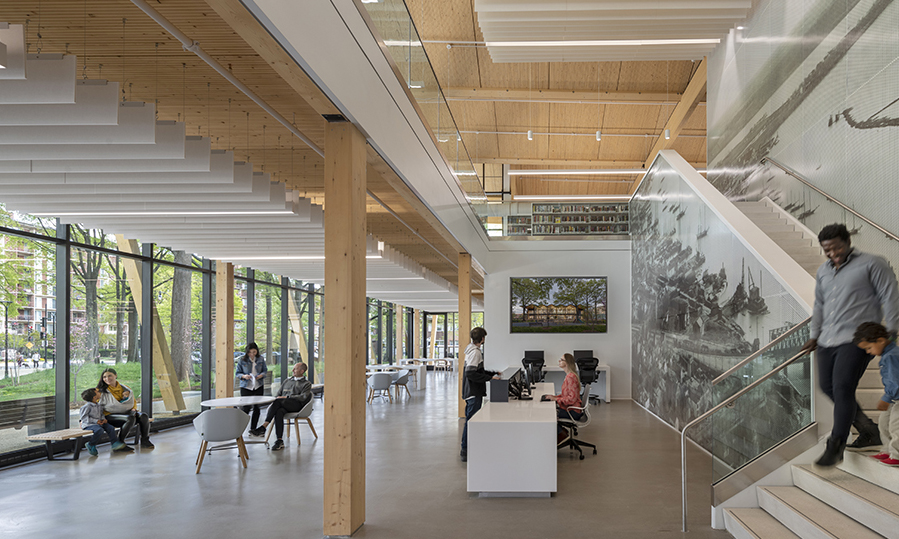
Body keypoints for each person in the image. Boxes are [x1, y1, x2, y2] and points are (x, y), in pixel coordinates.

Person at [800, 223, 899, 467]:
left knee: (843, 386)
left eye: (837, 248)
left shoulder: (872, 263)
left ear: (848, 242)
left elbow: (890, 294)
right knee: (827, 386)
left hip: (857, 339)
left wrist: (894, 329)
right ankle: (868, 430)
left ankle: (836, 445)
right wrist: (814, 334)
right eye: (827, 250)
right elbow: (819, 305)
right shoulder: (823, 271)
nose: (833, 254)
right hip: (827, 339)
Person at [854, 322, 899, 467]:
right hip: (893, 397)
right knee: (884, 424)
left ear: (880, 340)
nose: (868, 352)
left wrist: (886, 398)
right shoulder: (887, 355)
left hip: (895, 397)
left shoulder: (892, 356)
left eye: (869, 347)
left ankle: (897, 455)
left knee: (895, 427)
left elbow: (896, 382)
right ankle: (887, 450)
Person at [249, 362, 313, 451]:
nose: (293, 370)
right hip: (283, 405)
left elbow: (303, 397)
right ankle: (279, 440)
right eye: (293, 368)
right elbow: (278, 394)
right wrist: (282, 398)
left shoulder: (306, 384)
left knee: (278, 401)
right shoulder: (287, 381)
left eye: (295, 369)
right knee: (279, 412)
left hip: (297, 406)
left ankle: (263, 427)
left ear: (302, 371)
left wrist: (287, 397)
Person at [460, 327, 499, 463]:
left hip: (470, 391)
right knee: (471, 422)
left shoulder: (470, 350)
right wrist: (489, 379)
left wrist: (492, 374)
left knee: (470, 421)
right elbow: (471, 373)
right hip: (473, 392)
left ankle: (468, 448)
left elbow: (478, 371)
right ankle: (465, 450)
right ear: (482, 339)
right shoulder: (475, 353)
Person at [97, 368, 153, 450]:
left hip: (125, 414)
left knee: (144, 416)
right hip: (109, 416)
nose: (107, 378)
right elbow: (94, 405)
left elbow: (132, 401)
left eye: (110, 376)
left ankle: (145, 440)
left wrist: (134, 409)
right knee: (130, 418)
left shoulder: (125, 388)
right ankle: (119, 443)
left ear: (115, 376)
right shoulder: (101, 391)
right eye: (104, 377)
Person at [546, 353, 582, 445]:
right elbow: (565, 394)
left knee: (550, 415)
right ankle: (561, 432)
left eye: (561, 360)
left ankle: (561, 433)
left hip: (573, 411)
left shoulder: (571, 377)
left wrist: (556, 400)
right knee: (551, 411)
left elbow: (571, 400)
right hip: (570, 409)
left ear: (567, 363)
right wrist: (554, 397)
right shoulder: (569, 375)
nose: (559, 361)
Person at [79, 388, 128, 456]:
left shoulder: (98, 405)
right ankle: (91, 444)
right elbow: (84, 418)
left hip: (99, 423)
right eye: (97, 392)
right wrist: (96, 421)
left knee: (110, 428)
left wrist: (103, 419)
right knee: (99, 430)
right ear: (94, 397)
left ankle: (114, 443)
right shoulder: (87, 407)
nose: (100, 393)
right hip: (89, 424)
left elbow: (101, 414)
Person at [236, 342, 268, 434]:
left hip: (258, 385)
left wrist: (261, 375)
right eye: (250, 352)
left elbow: (265, 371)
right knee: (246, 408)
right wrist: (244, 376)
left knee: (257, 408)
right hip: (246, 386)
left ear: (257, 351)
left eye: (254, 352)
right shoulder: (242, 360)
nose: (252, 354)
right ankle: (240, 429)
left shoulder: (261, 359)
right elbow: (238, 373)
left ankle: (253, 429)